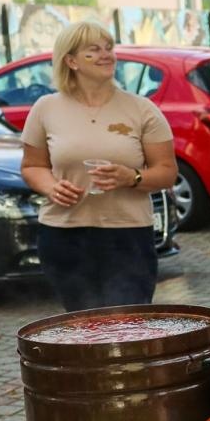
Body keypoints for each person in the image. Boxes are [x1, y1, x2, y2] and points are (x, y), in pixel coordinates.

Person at [19, 20, 177, 312]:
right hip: (64, 235)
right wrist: (52, 187)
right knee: (82, 327)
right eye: (94, 50)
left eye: (109, 48)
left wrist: (133, 177)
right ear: (71, 61)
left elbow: (167, 172)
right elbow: (32, 166)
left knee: (129, 326)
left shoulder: (141, 109)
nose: (107, 55)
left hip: (128, 235)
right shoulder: (45, 108)